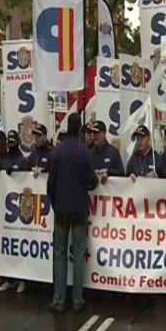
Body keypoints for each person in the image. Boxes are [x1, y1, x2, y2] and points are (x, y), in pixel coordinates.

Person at [47, 113, 98, 313]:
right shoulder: (84, 152)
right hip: (79, 209)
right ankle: (77, 300)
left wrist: (55, 204)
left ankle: (58, 300)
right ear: (79, 130)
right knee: (78, 254)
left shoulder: (57, 151)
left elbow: (50, 183)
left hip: (61, 209)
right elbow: (92, 182)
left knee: (59, 254)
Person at [0, 130, 29, 293]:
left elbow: (27, 180)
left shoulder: (21, 160)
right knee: (8, 245)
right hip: (6, 208)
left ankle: (22, 279)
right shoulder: (5, 158)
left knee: (20, 244)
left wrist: (16, 170)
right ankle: (9, 279)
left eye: (13, 142)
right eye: (9, 142)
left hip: (19, 208)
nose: (10, 145)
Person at [89, 120, 124, 184]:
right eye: (92, 133)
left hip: (110, 190)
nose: (94, 135)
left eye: (96, 132)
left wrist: (109, 172)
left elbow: (122, 173)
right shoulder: (90, 154)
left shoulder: (114, 152)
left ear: (104, 134)